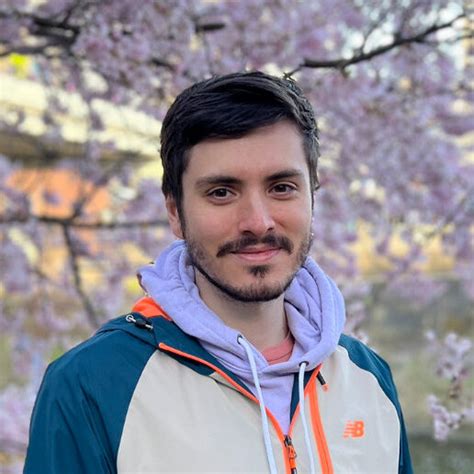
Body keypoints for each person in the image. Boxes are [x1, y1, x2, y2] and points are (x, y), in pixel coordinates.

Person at [24, 71, 412, 473]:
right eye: (221, 192)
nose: (258, 222)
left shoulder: (368, 378)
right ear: (175, 212)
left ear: (312, 196)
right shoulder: (92, 386)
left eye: (281, 187)